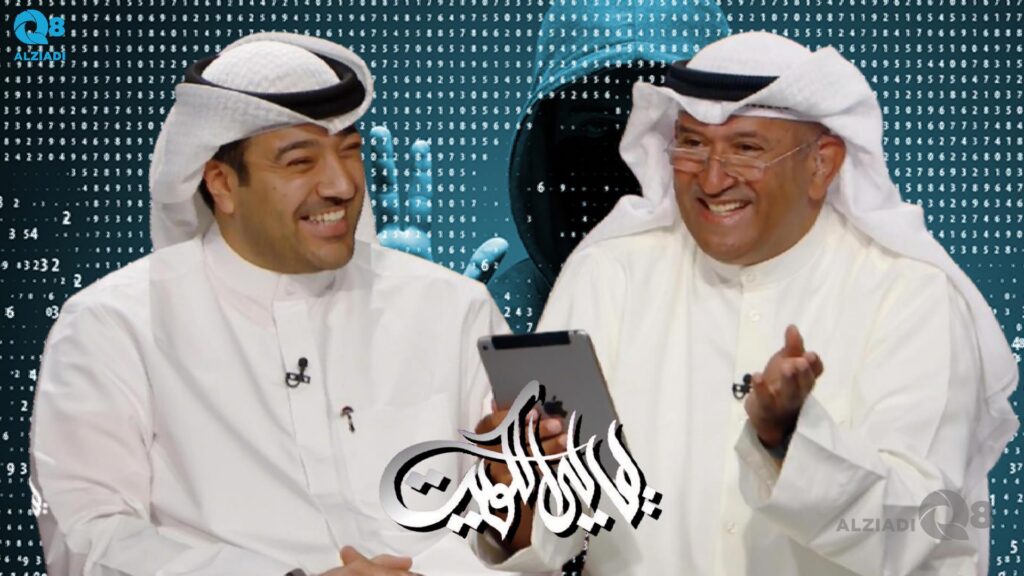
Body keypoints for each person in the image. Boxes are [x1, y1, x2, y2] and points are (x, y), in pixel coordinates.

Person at [475, 32, 1019, 575]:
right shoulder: (608, 275)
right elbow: (547, 540)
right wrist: (512, 486)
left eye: (746, 149)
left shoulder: (910, 297)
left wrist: (790, 444)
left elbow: (922, 530)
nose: (713, 179)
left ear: (821, 164)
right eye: (692, 144)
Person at [29, 32, 519, 576]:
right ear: (221, 183)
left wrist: (522, 496)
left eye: (349, 152)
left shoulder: (452, 307)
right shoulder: (114, 326)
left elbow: (522, 533)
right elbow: (86, 538)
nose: (341, 185)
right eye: (300, 161)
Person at [486, 0, 729, 333]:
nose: (631, 159)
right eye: (597, 127)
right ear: (546, 149)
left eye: (665, 124)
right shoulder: (505, 322)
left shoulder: (787, 312)